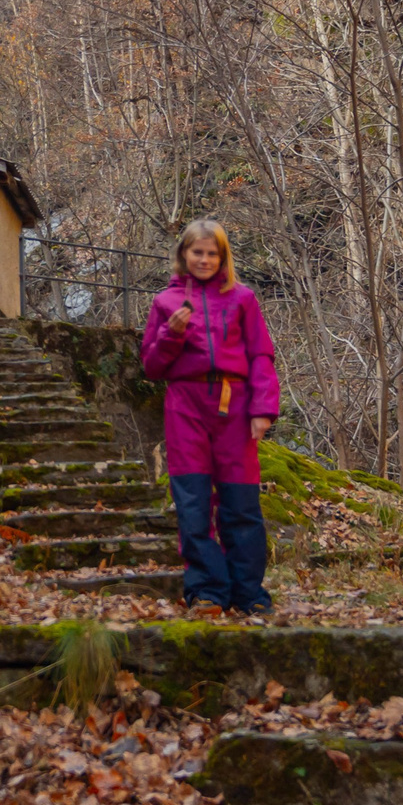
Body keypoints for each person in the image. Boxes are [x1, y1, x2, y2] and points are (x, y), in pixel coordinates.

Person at [139, 218, 280, 616]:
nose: (204, 259)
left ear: (223, 257)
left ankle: (249, 592)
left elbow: (260, 356)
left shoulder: (243, 298)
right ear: (184, 254)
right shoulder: (165, 302)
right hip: (185, 404)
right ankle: (207, 591)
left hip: (234, 404)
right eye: (197, 252)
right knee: (193, 502)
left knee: (241, 503)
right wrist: (171, 334)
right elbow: (151, 366)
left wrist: (263, 410)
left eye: (212, 253)